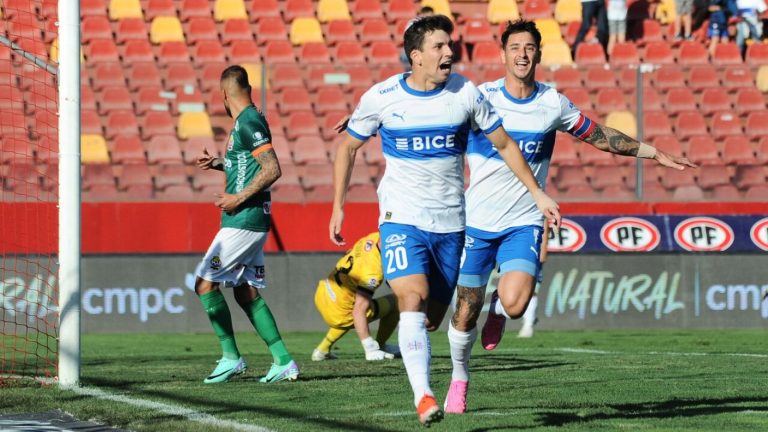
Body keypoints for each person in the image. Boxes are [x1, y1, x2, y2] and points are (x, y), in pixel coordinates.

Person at [445, 19, 697, 414]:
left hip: (524, 220)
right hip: (477, 221)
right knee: (463, 315)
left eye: (529, 47)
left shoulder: (552, 103)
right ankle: (460, 377)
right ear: (503, 54)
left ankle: (499, 309)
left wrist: (652, 152)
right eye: (515, 47)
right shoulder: (481, 98)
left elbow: (598, 135)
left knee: (514, 305)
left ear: (538, 54)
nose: (522, 54)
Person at [329, 14, 561, 427]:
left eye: (449, 45)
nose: (449, 52)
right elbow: (347, 147)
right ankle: (423, 396)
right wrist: (339, 206)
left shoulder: (465, 93)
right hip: (401, 218)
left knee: (432, 318)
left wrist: (538, 192)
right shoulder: (382, 97)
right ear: (415, 56)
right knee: (411, 297)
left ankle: (414, 349)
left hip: (452, 224)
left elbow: (505, 143)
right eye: (439, 46)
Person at [193, 65, 299, 384]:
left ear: (224, 94)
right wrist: (219, 164)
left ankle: (230, 357)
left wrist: (237, 198)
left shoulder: (249, 121)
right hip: (250, 220)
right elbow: (248, 163)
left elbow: (272, 168)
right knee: (245, 292)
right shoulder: (246, 121)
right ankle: (283, 361)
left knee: (204, 283)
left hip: (243, 221)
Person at [312, 231, 401, 361]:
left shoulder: (372, 237)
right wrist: (370, 348)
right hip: (340, 309)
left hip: (324, 292)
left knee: (349, 304)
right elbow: (359, 310)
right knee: (397, 302)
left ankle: (322, 350)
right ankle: (378, 346)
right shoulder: (373, 273)